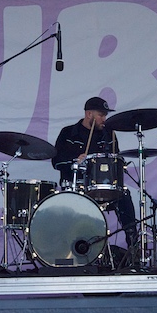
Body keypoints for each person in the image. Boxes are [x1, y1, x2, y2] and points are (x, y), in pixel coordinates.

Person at [53, 96, 137, 248]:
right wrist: (75, 161)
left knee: (124, 196)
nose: (104, 119)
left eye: (105, 115)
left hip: (102, 187)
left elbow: (114, 160)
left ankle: (134, 244)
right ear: (89, 114)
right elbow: (56, 162)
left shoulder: (109, 134)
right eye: (101, 115)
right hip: (76, 188)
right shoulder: (68, 133)